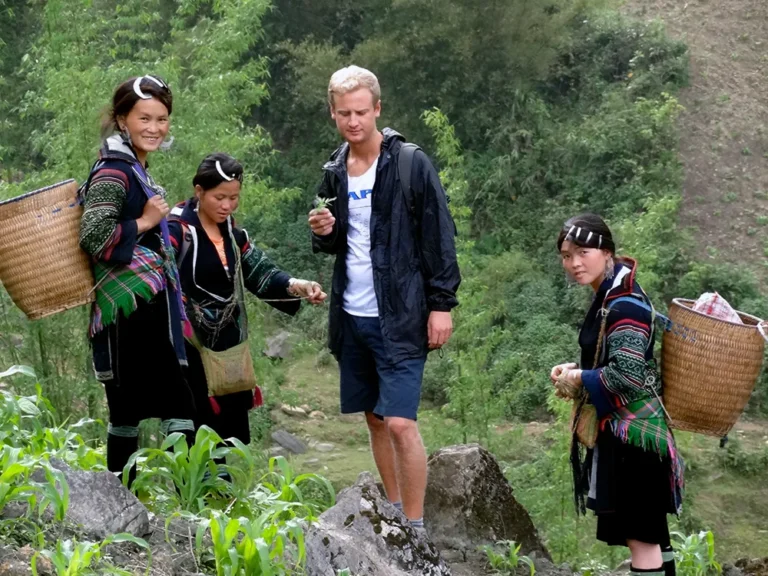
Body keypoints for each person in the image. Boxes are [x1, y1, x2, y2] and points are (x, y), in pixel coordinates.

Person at [308, 65, 461, 532]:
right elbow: (338, 244)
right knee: (375, 419)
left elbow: (439, 236)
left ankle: (414, 526)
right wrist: (324, 232)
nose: (353, 121)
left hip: (402, 314)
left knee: (400, 423)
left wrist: (441, 304)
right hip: (352, 313)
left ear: (377, 109)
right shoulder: (334, 171)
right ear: (333, 114)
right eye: (344, 113)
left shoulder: (410, 163)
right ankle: (394, 511)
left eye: (361, 112)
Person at [550, 214, 684, 576]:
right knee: (652, 536)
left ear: (606, 252)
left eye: (583, 252)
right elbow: (613, 359)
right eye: (566, 255)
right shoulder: (612, 293)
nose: (574, 263)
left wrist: (578, 377)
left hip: (635, 440)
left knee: (642, 539)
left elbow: (626, 375)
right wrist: (576, 371)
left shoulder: (625, 304)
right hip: (631, 434)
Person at [78, 75, 195, 481]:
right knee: (171, 405)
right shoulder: (114, 170)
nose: (154, 128)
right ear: (122, 120)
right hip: (127, 311)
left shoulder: (135, 168)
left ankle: (127, 502)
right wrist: (147, 220)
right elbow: (93, 235)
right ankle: (182, 504)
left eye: (162, 119)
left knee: (147, 406)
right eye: (144, 118)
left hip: (146, 310)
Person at [168, 152, 326, 447]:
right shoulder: (176, 232)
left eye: (234, 197)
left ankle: (226, 494)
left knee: (227, 442)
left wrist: (298, 285)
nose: (227, 205)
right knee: (193, 440)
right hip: (189, 352)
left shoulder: (232, 234)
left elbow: (260, 272)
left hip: (228, 351)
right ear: (199, 191)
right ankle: (191, 494)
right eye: (219, 197)